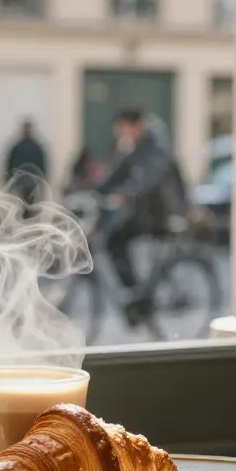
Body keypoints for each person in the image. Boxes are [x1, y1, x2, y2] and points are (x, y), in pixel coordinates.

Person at [94, 108, 192, 324]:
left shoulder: (157, 144)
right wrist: (95, 191)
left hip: (164, 212)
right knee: (115, 238)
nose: (121, 134)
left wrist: (125, 194)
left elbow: (148, 176)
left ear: (136, 125)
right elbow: (120, 171)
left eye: (124, 129)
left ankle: (137, 296)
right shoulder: (136, 145)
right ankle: (136, 293)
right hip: (146, 210)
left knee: (115, 239)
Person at [3, 119, 48, 209]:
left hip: (32, 183)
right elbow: (10, 164)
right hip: (20, 182)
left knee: (30, 206)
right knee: (20, 205)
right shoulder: (18, 147)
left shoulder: (35, 148)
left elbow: (42, 165)